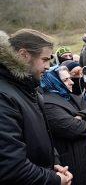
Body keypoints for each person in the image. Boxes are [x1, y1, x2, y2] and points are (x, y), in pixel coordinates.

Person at [0, 29, 72, 184]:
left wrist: (54, 164)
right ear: (23, 55)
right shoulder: (4, 96)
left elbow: (38, 140)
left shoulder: (30, 90)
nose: (48, 66)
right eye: (44, 59)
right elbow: (11, 167)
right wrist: (54, 179)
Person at [41, 65, 86, 185]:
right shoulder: (47, 103)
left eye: (70, 78)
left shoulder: (71, 97)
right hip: (71, 163)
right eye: (65, 80)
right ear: (53, 82)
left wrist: (80, 117)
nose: (71, 82)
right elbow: (72, 128)